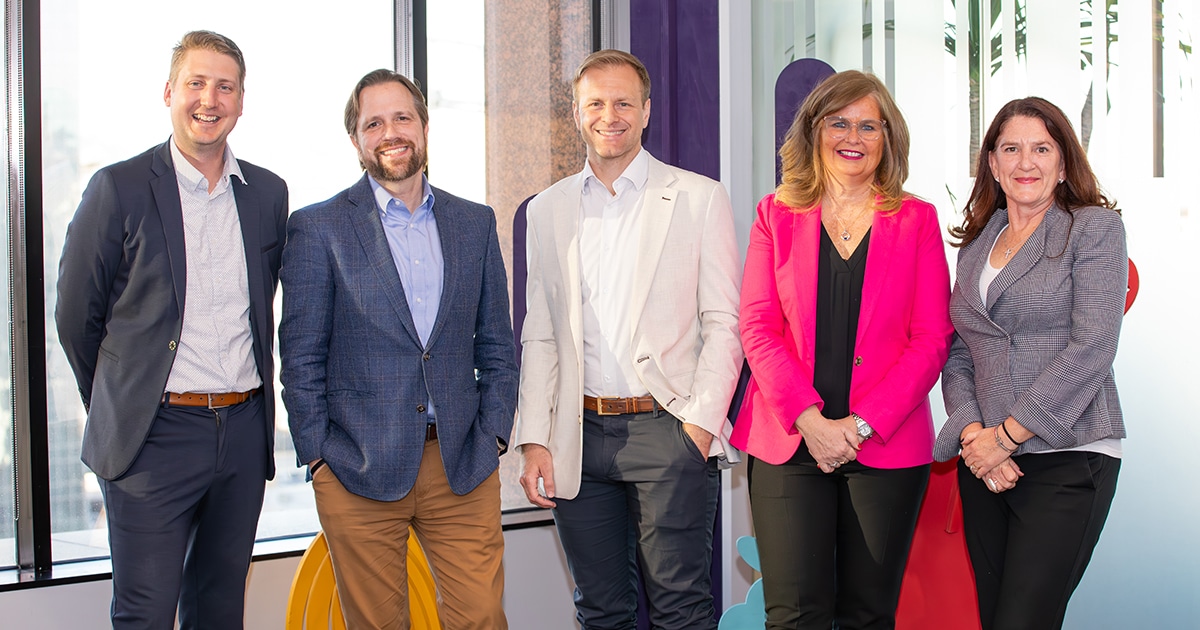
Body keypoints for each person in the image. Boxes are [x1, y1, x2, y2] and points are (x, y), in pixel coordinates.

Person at [54, 31, 287, 629]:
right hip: (153, 438)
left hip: (241, 431)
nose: (209, 99)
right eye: (196, 83)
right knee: (145, 615)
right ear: (169, 92)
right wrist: (122, 402)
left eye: (224, 86)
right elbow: (76, 316)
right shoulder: (119, 187)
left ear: (240, 102)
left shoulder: (266, 193)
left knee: (219, 611)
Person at [279, 68, 518, 629]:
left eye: (403, 117)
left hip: (462, 461)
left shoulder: (474, 223)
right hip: (357, 468)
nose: (391, 132)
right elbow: (301, 357)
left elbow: (498, 347)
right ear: (357, 139)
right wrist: (318, 456)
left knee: (481, 616)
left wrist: (495, 434)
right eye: (374, 122)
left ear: (425, 127)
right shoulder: (319, 228)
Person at [514, 49, 743, 630]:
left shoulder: (699, 197)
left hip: (667, 432)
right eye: (595, 103)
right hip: (577, 438)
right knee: (599, 610)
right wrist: (535, 438)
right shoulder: (545, 210)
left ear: (645, 111)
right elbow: (539, 333)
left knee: (681, 609)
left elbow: (725, 322)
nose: (608, 115)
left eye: (622, 102)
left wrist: (699, 426)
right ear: (576, 113)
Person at [729, 70, 953, 629]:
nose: (853, 137)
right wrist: (812, 421)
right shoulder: (774, 214)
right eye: (839, 122)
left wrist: (859, 426)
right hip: (788, 443)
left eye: (869, 126)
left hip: (884, 446)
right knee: (794, 616)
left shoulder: (917, 220)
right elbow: (757, 326)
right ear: (814, 130)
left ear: (888, 138)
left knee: (868, 616)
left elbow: (932, 339)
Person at [934, 96, 1126, 630]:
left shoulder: (1093, 229)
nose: (1026, 162)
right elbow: (959, 349)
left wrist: (1007, 436)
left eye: (1042, 148)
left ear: (1063, 162)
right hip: (987, 465)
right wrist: (975, 434)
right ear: (991, 162)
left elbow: (1092, 348)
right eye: (1011, 148)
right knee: (994, 619)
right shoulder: (976, 243)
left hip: (1068, 455)